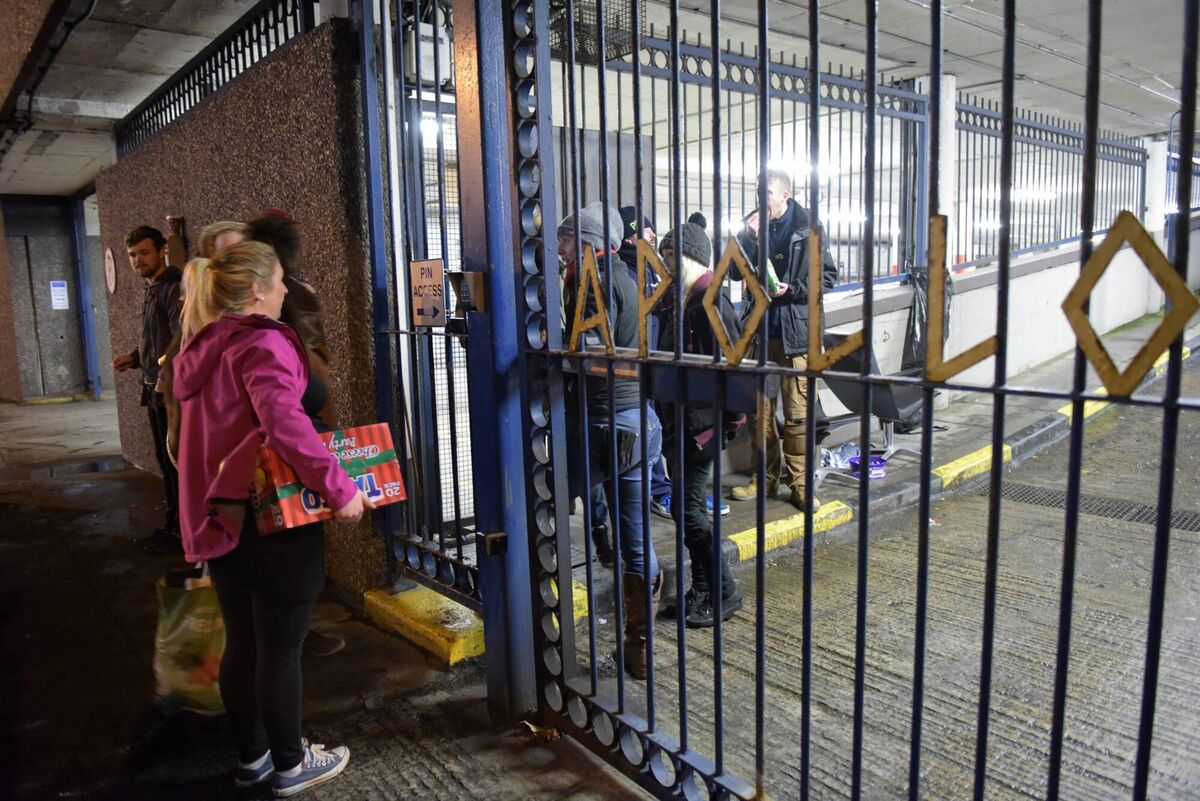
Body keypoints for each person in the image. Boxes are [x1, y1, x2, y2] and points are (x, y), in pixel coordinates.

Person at [174, 241, 373, 796]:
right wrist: (340, 489)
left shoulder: (206, 344)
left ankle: (255, 758)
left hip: (221, 518)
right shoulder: (262, 342)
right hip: (270, 518)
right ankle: (291, 765)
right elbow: (286, 424)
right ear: (259, 289)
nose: (287, 288)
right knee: (280, 650)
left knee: (243, 644)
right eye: (280, 279)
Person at [559, 201, 662, 680]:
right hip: (640, 421)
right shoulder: (629, 277)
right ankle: (640, 650)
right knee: (637, 539)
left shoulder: (592, 282)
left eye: (566, 239)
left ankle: (540, 641)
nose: (560, 249)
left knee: (544, 512)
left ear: (588, 243)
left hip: (602, 423)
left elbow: (587, 355)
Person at [728, 169, 838, 511]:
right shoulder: (753, 225)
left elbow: (828, 277)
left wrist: (792, 290)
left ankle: (800, 485)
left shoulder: (808, 229)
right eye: (757, 193)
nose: (760, 201)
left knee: (798, 416)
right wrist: (747, 237)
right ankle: (765, 478)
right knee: (759, 413)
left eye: (767, 194)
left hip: (797, 335)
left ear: (785, 195)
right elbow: (732, 271)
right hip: (760, 333)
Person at [656, 223, 745, 626]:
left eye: (672, 257)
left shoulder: (710, 301)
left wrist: (727, 425)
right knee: (685, 511)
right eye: (664, 257)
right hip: (680, 424)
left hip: (699, 428)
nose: (666, 265)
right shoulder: (680, 300)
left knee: (689, 512)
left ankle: (722, 591)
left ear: (691, 258)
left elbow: (734, 368)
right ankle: (705, 588)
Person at [111, 226, 183, 554]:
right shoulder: (153, 287)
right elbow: (157, 340)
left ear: (162, 249)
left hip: (170, 393)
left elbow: (181, 340)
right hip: (155, 387)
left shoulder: (171, 287)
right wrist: (135, 358)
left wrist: (166, 377)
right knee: (165, 461)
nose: (137, 260)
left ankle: (181, 532)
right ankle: (174, 526)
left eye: (144, 252)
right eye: (132, 255)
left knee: (175, 463)